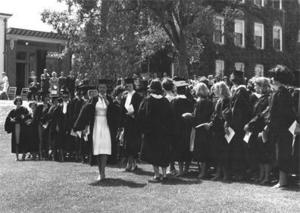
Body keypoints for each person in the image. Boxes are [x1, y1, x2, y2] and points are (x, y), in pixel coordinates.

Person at [74, 79, 116, 182]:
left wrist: (109, 104)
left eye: (104, 87)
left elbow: (115, 112)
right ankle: (100, 172)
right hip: (97, 125)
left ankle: (103, 172)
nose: (102, 89)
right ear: (98, 89)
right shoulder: (94, 99)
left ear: (106, 89)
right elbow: (85, 111)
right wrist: (80, 126)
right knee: (97, 149)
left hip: (106, 125)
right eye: (100, 87)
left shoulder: (110, 99)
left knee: (105, 148)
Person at [138, 79, 174, 182]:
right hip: (164, 132)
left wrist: (144, 129)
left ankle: (157, 175)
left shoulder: (147, 100)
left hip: (152, 132)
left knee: (153, 153)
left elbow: (142, 115)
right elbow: (171, 117)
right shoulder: (165, 101)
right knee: (163, 153)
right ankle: (164, 175)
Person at [267, 65, 295, 188]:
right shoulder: (279, 92)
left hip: (282, 129)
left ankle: (283, 181)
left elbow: (283, 114)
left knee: (283, 154)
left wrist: (274, 125)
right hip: (280, 128)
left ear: (278, 79)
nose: (271, 80)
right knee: (280, 154)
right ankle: (281, 180)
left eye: (273, 78)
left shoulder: (282, 93)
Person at [244, 77, 272, 184]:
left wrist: (250, 124)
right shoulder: (260, 98)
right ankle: (260, 176)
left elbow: (262, 114)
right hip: (255, 128)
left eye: (256, 85)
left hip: (262, 128)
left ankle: (266, 177)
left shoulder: (268, 98)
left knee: (265, 152)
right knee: (258, 153)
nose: (254, 87)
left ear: (262, 86)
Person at [227, 70, 252, 181]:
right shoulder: (238, 90)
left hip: (239, 125)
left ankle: (240, 173)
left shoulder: (241, 90)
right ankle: (237, 172)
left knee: (239, 149)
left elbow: (239, 110)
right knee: (237, 149)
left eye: (231, 76)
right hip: (238, 124)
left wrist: (233, 122)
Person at [171, 79, 194, 176]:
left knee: (179, 149)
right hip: (188, 128)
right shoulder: (190, 101)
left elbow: (171, 116)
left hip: (177, 129)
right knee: (187, 148)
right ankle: (186, 169)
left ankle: (180, 170)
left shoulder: (174, 101)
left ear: (176, 90)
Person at [190, 82, 214, 179]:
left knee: (201, 150)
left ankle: (202, 171)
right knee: (204, 149)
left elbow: (197, 117)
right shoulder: (209, 102)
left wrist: (190, 117)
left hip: (200, 128)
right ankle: (203, 170)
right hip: (207, 127)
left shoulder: (199, 102)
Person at [209, 81, 232, 181]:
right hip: (217, 129)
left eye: (215, 89)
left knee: (224, 153)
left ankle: (225, 175)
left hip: (223, 130)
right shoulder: (219, 100)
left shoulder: (227, 100)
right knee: (218, 153)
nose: (214, 91)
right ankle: (218, 173)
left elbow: (225, 115)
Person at [121, 78, 143, 172]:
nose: (128, 87)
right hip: (127, 123)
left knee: (133, 144)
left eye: (129, 85)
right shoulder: (124, 96)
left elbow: (140, 110)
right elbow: (122, 109)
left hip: (134, 123)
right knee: (127, 144)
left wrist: (134, 114)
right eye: (126, 86)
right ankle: (130, 163)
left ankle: (132, 164)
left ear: (133, 85)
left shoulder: (137, 96)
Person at [4, 96, 30, 161]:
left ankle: (24, 156)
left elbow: (28, 116)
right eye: (17, 101)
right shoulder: (13, 111)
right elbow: (8, 118)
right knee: (16, 142)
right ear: (15, 102)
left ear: (21, 102)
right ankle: (17, 157)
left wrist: (24, 117)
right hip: (16, 128)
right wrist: (11, 120)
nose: (18, 102)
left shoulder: (24, 109)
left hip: (23, 128)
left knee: (23, 141)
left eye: (19, 101)